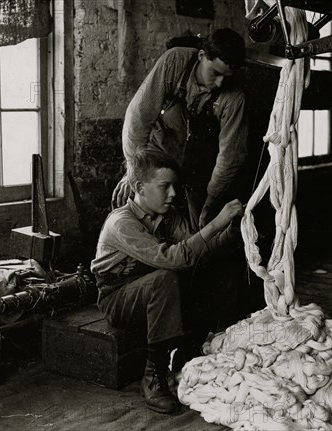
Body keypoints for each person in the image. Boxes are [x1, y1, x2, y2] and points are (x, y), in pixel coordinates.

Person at [91, 149, 243, 413]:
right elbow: (175, 259)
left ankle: (189, 352)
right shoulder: (122, 223)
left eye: (174, 186)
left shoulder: (167, 216)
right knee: (166, 277)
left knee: (209, 271)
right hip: (117, 299)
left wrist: (231, 232)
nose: (173, 193)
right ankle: (153, 378)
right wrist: (216, 224)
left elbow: (198, 250)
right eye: (165, 186)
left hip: (151, 293)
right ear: (139, 187)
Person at [112, 27, 248, 231]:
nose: (220, 83)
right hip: (160, 153)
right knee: (135, 206)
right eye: (216, 73)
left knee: (199, 228)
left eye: (226, 77)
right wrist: (133, 172)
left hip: (200, 167)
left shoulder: (234, 98)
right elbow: (138, 117)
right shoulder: (174, 62)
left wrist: (210, 203)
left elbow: (229, 159)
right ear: (202, 55)